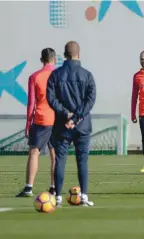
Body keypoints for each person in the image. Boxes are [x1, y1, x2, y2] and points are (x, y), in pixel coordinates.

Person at [47, 41, 96, 206]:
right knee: (82, 160)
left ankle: (58, 197)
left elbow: (51, 98)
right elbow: (90, 100)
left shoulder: (56, 75)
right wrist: (77, 117)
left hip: (62, 125)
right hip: (82, 126)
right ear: (78, 54)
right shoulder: (87, 75)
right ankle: (84, 197)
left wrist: (66, 114)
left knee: (60, 160)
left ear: (64, 55)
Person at [16, 48, 57, 197]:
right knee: (55, 154)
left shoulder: (35, 76)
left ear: (41, 60)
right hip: (57, 119)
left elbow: (31, 104)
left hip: (41, 119)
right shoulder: (60, 75)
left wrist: (28, 124)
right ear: (55, 59)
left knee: (34, 153)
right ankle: (54, 187)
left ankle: (28, 188)